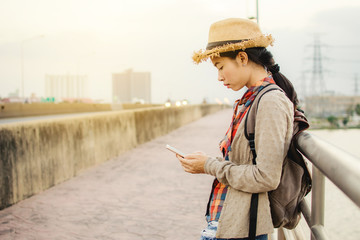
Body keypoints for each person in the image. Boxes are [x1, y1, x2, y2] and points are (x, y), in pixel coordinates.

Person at [176, 18, 297, 240]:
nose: (219, 76)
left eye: (221, 67)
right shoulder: (250, 100)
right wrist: (208, 162)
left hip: (242, 229)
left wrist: (209, 166)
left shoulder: (270, 102)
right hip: (228, 222)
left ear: (242, 58)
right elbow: (244, 164)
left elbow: (266, 177)